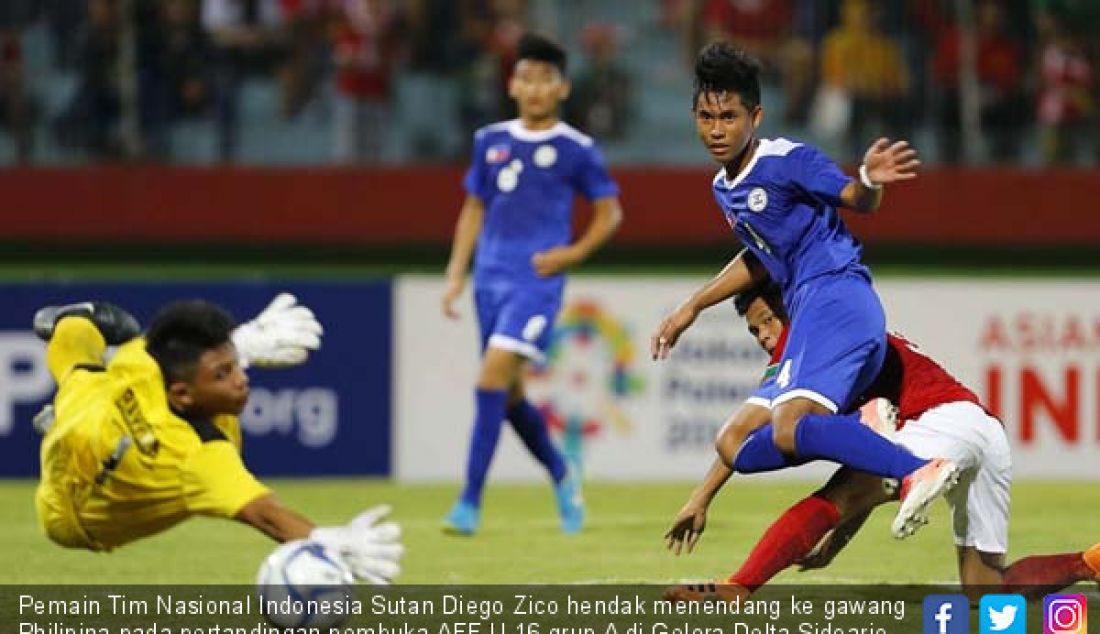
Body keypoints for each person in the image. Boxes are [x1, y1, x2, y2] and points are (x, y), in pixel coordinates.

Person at [650, 42, 951, 539]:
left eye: (728, 116)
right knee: (736, 447)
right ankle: (867, 437)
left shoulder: (786, 160)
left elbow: (856, 198)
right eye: (706, 117)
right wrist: (693, 306)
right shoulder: (723, 188)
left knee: (789, 426)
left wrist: (869, 181)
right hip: (813, 308)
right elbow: (760, 257)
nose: (716, 128)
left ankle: (911, 465)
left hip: (836, 297)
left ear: (756, 115)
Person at [664, 281, 1100, 601]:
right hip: (982, 430)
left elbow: (742, 435)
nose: (762, 337)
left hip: (938, 423)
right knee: (987, 592)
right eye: (754, 331)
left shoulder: (809, 350)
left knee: (841, 492)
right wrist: (835, 541)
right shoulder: (839, 334)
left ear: (793, 309)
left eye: (767, 321)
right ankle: (1089, 562)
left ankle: (740, 585)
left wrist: (701, 497)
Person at [32, 295, 404, 584]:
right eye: (222, 374)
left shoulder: (142, 359)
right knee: (80, 376)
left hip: (90, 409)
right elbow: (267, 515)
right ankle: (63, 421)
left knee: (79, 348)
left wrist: (243, 342)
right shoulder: (199, 459)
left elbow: (175, 345)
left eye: (234, 365)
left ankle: (65, 368)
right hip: (70, 512)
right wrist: (325, 538)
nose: (240, 380)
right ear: (183, 395)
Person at [441, 32, 623, 536]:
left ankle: (469, 503)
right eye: (527, 77)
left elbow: (609, 212)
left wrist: (576, 251)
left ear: (563, 88)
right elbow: (473, 209)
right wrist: (457, 273)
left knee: (489, 378)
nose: (536, 88)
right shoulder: (489, 141)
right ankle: (564, 474)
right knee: (510, 394)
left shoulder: (577, 149)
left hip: (536, 282)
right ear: (512, 84)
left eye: (546, 79)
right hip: (489, 281)